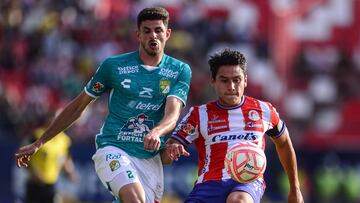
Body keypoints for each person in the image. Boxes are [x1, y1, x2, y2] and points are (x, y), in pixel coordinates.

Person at [15, 7, 192, 203]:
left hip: (149, 157)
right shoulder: (113, 66)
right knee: (135, 199)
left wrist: (157, 132)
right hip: (113, 147)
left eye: (158, 30)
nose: (153, 35)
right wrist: (40, 141)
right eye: (147, 30)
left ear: (167, 34)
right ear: (138, 35)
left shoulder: (179, 70)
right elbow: (78, 106)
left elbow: (173, 114)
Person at [165, 49, 304, 203]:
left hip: (248, 182)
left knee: (238, 201)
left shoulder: (264, 110)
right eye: (224, 80)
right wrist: (171, 149)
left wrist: (294, 188)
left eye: (236, 80)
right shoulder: (198, 114)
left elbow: (284, 143)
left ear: (245, 80)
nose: (231, 86)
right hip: (208, 186)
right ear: (213, 81)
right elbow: (168, 153)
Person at [25, 112, 78, 203]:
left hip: (51, 183)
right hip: (35, 183)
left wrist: (70, 172)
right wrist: (33, 171)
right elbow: (24, 155)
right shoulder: (37, 135)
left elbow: (66, 158)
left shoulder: (64, 140)